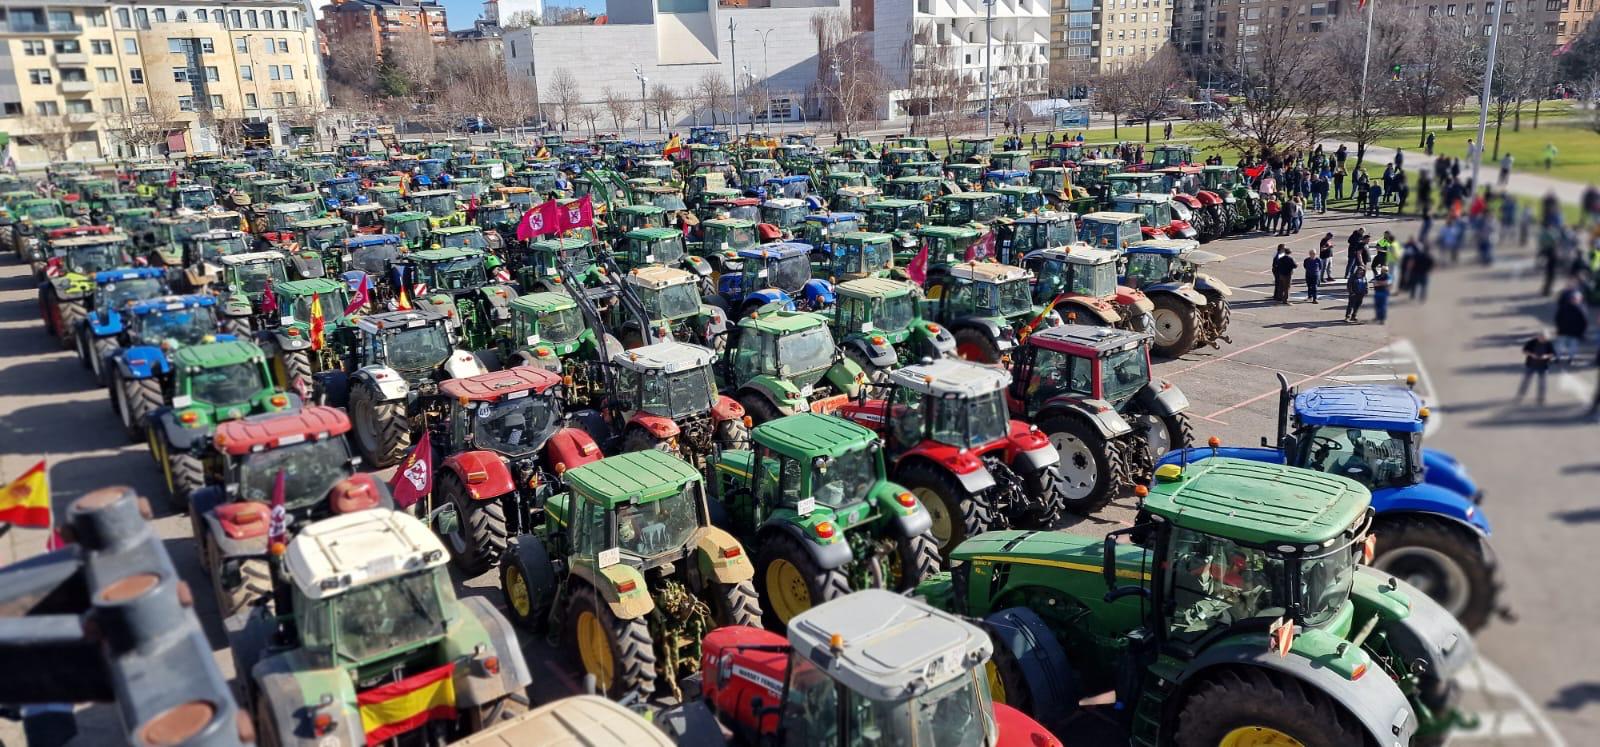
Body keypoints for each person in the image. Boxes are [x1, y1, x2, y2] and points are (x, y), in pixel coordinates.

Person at [1518, 330, 1556, 405]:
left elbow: (1553, 353)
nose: (1543, 339)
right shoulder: (1532, 342)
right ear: (1539, 336)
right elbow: (1524, 351)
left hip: (1543, 366)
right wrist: (1532, 355)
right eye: (1542, 337)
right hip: (1530, 365)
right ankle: (1521, 395)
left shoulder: (1548, 343)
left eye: (1545, 338)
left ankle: (1541, 398)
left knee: (1542, 383)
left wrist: (1546, 356)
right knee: (1526, 381)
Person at [1555, 281, 1589, 366]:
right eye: (1573, 298)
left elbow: (1584, 322)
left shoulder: (1581, 310)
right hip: (1564, 331)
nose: (1574, 300)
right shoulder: (1565, 307)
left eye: (1575, 298)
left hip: (1574, 332)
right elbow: (1558, 318)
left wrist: (1581, 332)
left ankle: (1571, 358)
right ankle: (1558, 357)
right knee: (1560, 345)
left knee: (1572, 347)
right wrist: (1559, 327)